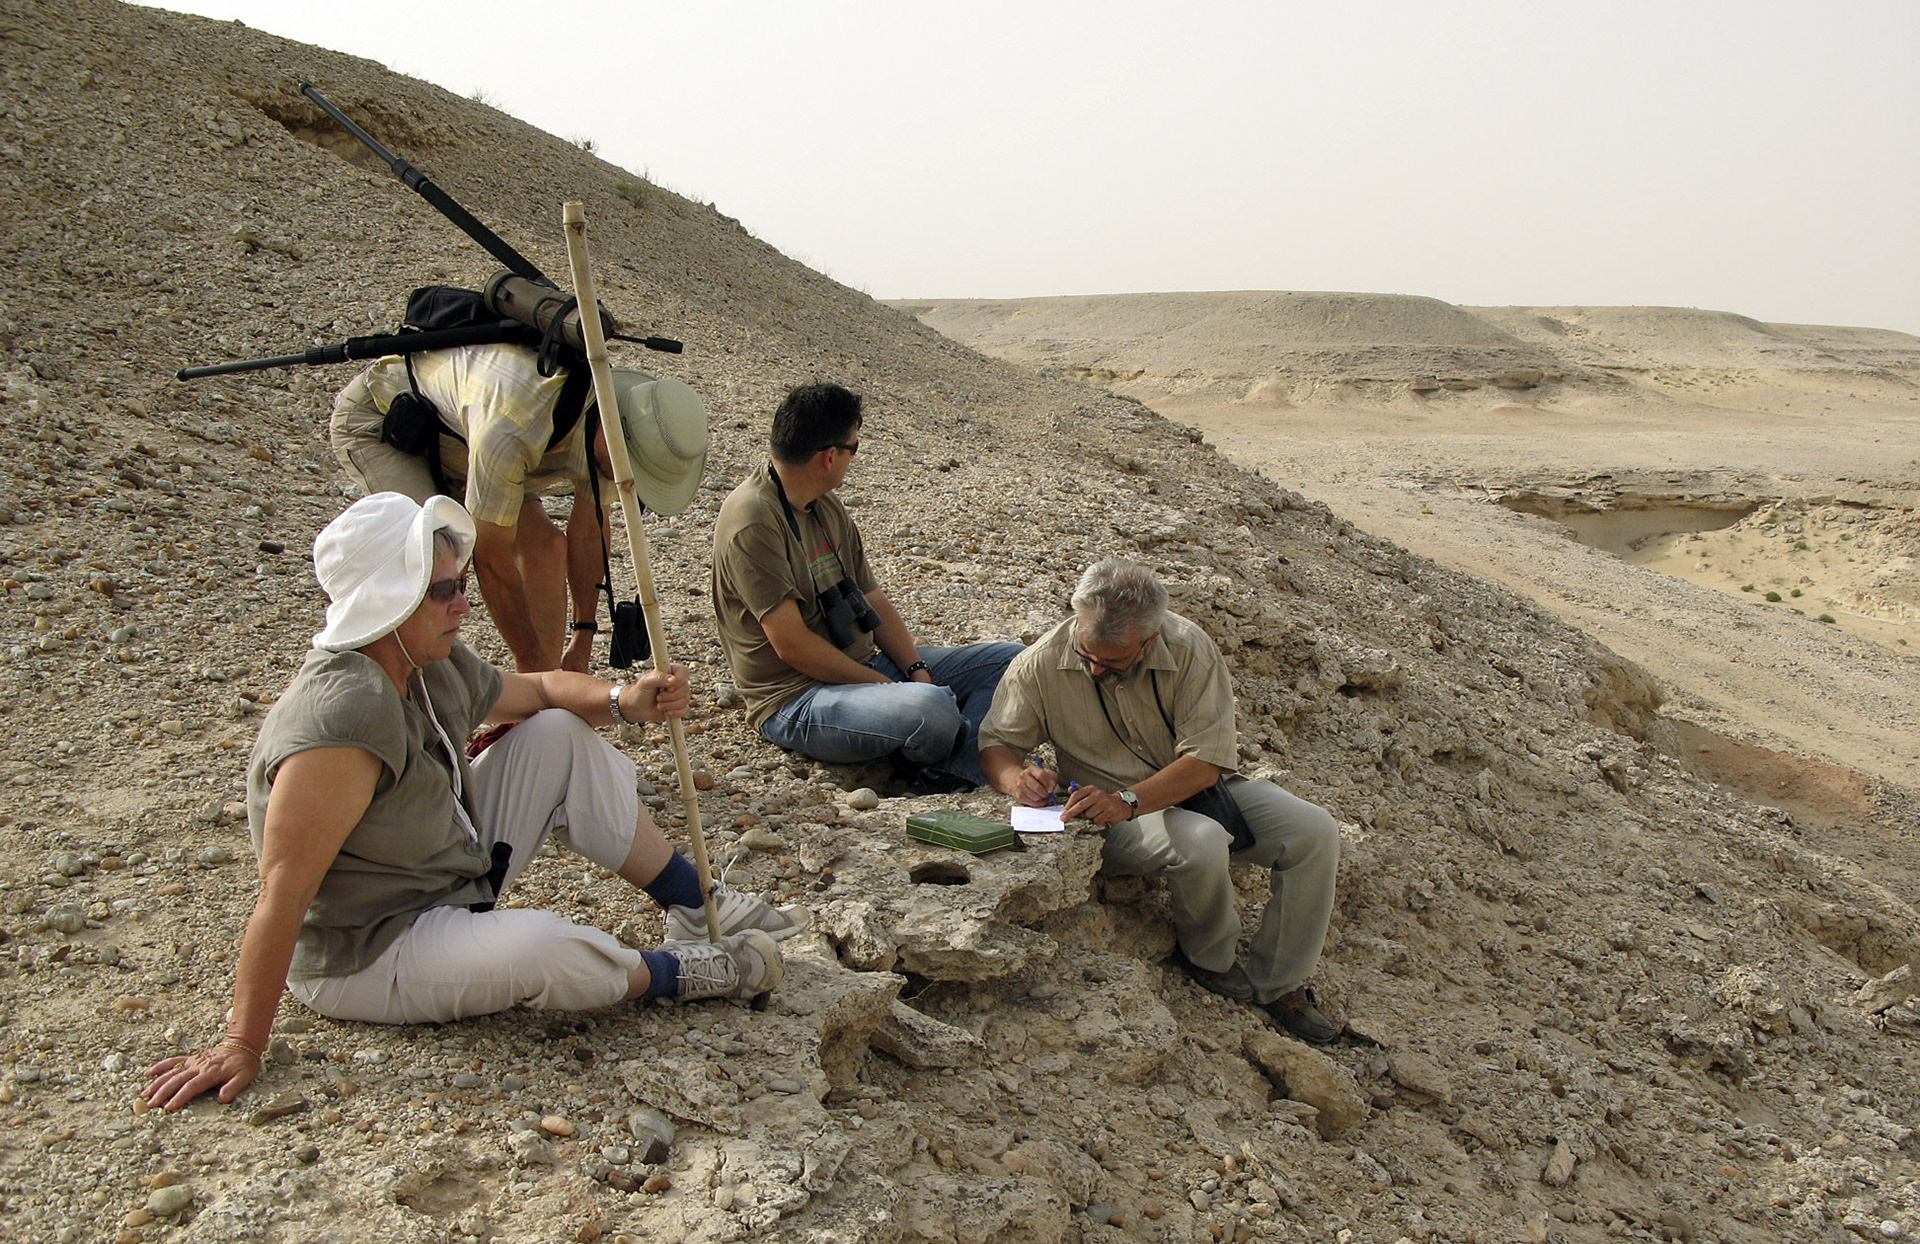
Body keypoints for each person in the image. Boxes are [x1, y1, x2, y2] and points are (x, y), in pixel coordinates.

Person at [143, 492, 802, 1111]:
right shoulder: (341, 720)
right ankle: (678, 973)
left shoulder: (424, 661)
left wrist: (622, 701)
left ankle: (693, 903)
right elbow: (283, 892)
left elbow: (538, 691)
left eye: (460, 583)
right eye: (444, 590)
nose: (464, 603)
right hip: (373, 950)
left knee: (558, 734)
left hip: (447, 872)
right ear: (390, 599)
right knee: (539, 945)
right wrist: (242, 1041)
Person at [978, 559, 1342, 1044]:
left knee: (1314, 831)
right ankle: (1210, 960)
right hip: (1105, 817)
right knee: (1201, 841)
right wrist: (1016, 780)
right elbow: (996, 743)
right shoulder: (1041, 661)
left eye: (1112, 662)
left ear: (1149, 640)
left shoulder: (1190, 648)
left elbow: (1205, 761)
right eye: (1087, 654)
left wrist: (1130, 798)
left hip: (1189, 791)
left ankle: (1280, 983)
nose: (1094, 668)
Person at [710, 383, 1020, 790]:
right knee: (930, 709)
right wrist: (891, 689)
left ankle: (951, 768)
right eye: (854, 449)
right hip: (797, 697)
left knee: (1012, 663)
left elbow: (870, 596)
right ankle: (950, 750)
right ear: (830, 456)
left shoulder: (822, 502)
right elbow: (792, 645)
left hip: (863, 665)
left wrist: (916, 670)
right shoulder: (753, 520)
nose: (853, 459)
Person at [329, 342, 708, 673]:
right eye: (638, 474)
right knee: (436, 565)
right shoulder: (515, 426)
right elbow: (490, 557)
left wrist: (582, 640)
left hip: (468, 443)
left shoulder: (615, 423)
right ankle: (407, 682)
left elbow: (588, 535)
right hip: (388, 425)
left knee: (546, 547)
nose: (632, 484)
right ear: (613, 438)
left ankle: (545, 688)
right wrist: (528, 658)